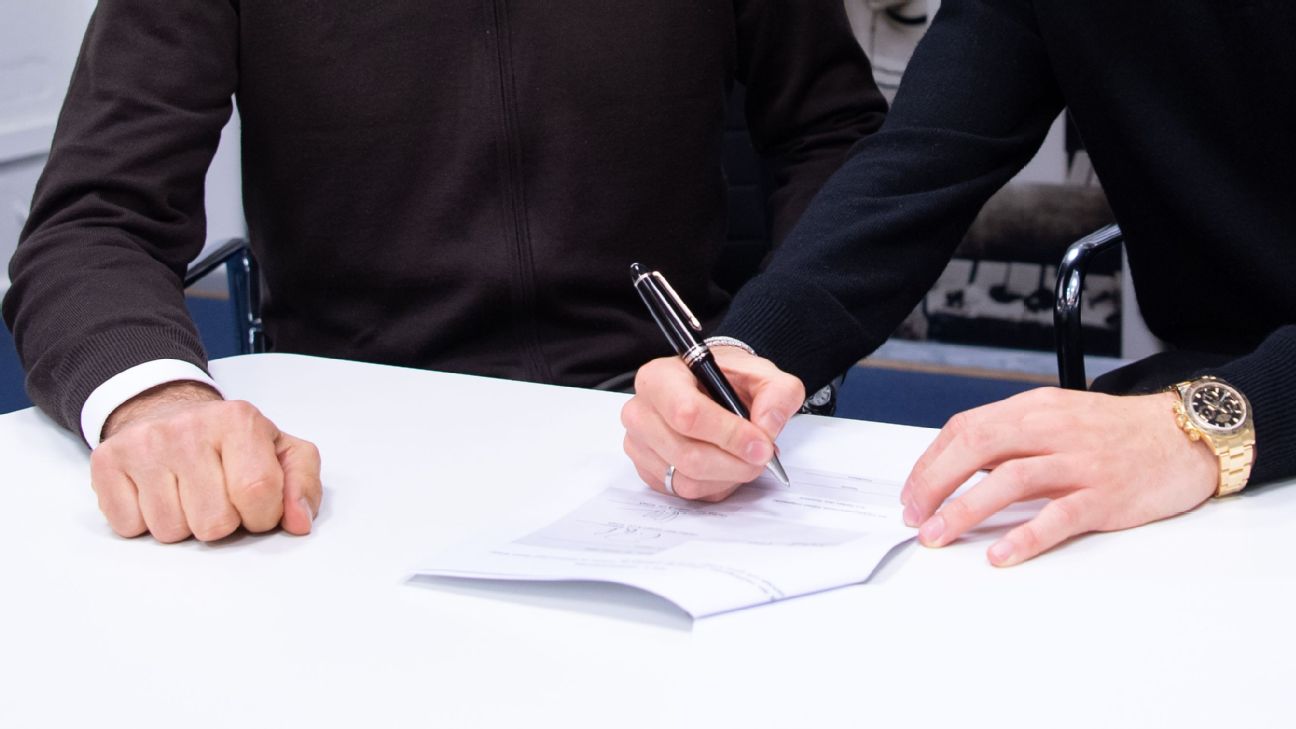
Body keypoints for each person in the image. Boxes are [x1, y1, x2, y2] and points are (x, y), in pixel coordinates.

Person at [4, 2, 887, 543]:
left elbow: (832, 136)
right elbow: (93, 219)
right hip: (338, 466)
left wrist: (768, 347)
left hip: (661, 432)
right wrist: (158, 402)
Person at [621, 0, 1296, 566]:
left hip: (1235, 415)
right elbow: (922, 158)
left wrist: (1208, 424)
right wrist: (749, 353)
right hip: (1200, 395)